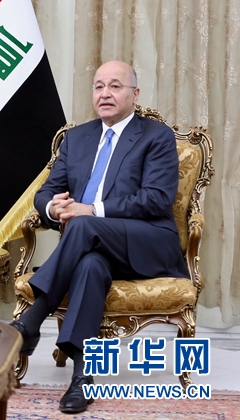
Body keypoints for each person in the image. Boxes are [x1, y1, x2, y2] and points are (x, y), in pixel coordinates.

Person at [10, 61, 188, 413]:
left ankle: (32, 319)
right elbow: (46, 192)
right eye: (99, 86)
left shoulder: (156, 136)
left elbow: (156, 199)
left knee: (83, 224)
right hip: (91, 245)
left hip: (147, 242)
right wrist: (54, 208)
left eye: (115, 86)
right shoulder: (77, 138)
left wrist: (91, 210)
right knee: (90, 265)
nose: (105, 93)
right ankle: (82, 378)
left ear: (135, 94)